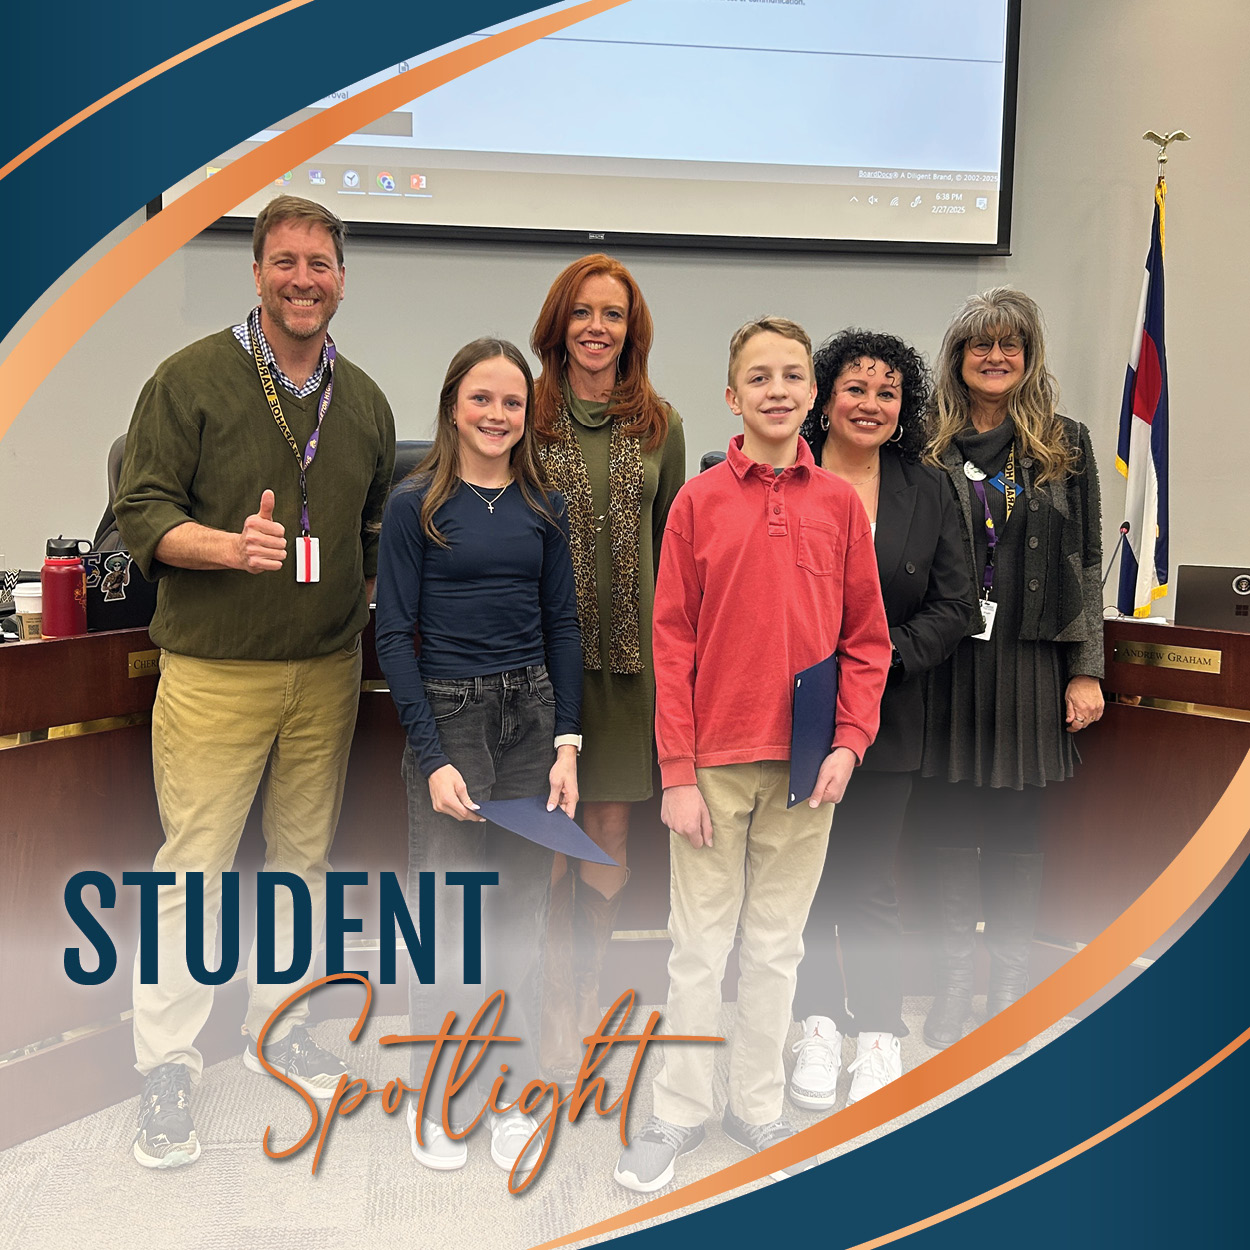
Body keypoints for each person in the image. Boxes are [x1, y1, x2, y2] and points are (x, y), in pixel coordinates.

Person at [114, 195, 396, 1168]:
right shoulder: (188, 378)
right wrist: (227, 548)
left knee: (301, 863)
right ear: (257, 272)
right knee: (193, 867)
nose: (303, 278)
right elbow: (140, 510)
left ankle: (278, 1028)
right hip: (215, 672)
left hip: (323, 671)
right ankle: (166, 1063)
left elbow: (361, 538)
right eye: (285, 262)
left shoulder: (361, 400)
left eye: (320, 263)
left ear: (341, 279)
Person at [614, 318, 891, 1193]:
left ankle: (758, 1103)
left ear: (814, 396)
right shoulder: (697, 503)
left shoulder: (840, 506)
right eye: (758, 377)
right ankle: (679, 1111)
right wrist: (676, 774)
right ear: (732, 398)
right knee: (699, 950)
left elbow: (867, 642)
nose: (778, 389)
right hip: (713, 770)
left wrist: (850, 743)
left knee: (777, 948)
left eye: (793, 376)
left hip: (809, 774)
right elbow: (670, 642)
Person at [373, 338, 582, 1175]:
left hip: (532, 722)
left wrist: (568, 741)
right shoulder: (413, 504)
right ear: (453, 404)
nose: (498, 416)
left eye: (513, 404)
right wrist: (430, 756)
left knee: (521, 922)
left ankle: (512, 1090)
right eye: (482, 400)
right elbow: (393, 634)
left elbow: (564, 626)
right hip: (451, 723)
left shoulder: (545, 505)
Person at [789, 330, 973, 1108]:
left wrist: (878, 656)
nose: (870, 404)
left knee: (865, 882)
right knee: (800, 882)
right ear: (826, 396)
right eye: (855, 388)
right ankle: (818, 1022)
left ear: (905, 409)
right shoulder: (784, 474)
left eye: (887, 392)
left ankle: (879, 1033)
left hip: (887, 716)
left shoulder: (926, 488)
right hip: (790, 715)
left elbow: (957, 605)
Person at [918, 287, 1104, 1050]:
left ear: (1028, 358)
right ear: (958, 358)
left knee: (1018, 823)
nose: (996, 357)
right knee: (953, 819)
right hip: (947, 661)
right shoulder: (922, 440)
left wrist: (1087, 669)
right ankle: (956, 986)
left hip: (1031, 659)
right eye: (981, 344)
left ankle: (1009, 989)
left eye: (1011, 345)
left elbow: (1087, 562)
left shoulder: (1066, 442)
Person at [529, 255, 685, 1075]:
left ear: (633, 330)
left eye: (614, 315)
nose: (597, 327)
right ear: (560, 324)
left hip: (629, 671)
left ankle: (590, 996)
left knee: (609, 827)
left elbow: (672, 550)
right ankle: (550, 1000)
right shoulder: (522, 416)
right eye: (583, 312)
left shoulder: (661, 424)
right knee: (549, 834)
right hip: (541, 664)